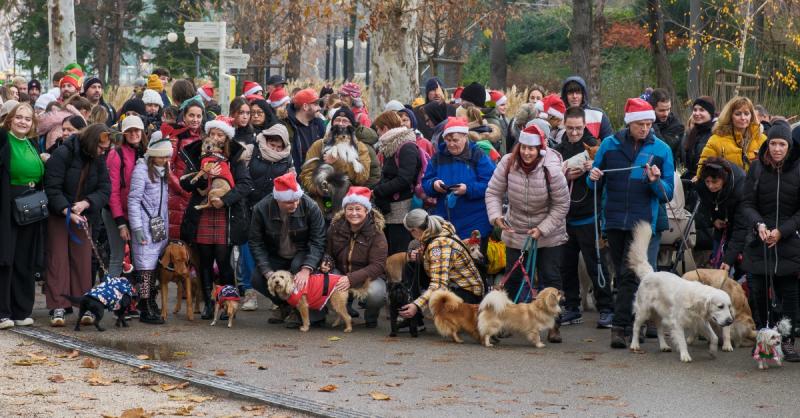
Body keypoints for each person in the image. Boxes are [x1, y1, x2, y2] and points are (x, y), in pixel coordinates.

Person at [588, 98, 674, 349]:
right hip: (614, 220)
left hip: (643, 224)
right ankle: (639, 320)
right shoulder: (609, 145)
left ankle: (620, 326)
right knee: (623, 274)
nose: (645, 128)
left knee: (629, 275)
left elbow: (666, 193)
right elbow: (593, 184)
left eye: (649, 124)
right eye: (640, 124)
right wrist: (592, 177)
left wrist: (654, 181)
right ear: (629, 124)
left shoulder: (662, 150)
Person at [486, 124, 570, 342]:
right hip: (516, 230)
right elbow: (493, 192)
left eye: (532, 148)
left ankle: (553, 325)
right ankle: (506, 323)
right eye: (523, 147)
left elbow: (562, 205)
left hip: (549, 232)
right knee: (512, 279)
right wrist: (496, 217)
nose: (526, 152)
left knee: (550, 279)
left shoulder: (551, 169)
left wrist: (542, 229)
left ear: (540, 148)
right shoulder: (507, 163)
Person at [180, 116, 253, 320]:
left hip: (225, 213)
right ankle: (209, 304)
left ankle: (227, 301)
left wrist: (226, 200)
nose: (215, 137)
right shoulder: (197, 154)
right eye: (212, 133)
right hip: (202, 212)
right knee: (204, 260)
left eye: (220, 134)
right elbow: (185, 184)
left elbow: (245, 185)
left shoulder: (235, 156)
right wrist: (202, 176)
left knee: (223, 260)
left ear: (226, 138)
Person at [739, 120, 800, 362]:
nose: (777, 149)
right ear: (767, 145)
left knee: (790, 296)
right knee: (759, 293)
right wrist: (759, 225)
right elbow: (746, 204)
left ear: (789, 146)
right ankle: (765, 341)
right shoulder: (756, 169)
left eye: (782, 144)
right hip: (759, 241)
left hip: (788, 240)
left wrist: (782, 231)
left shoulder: (798, 168)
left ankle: (787, 340)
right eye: (773, 143)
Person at [44, 124, 111, 327]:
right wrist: (67, 211)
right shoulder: (62, 154)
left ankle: (86, 305)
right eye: (101, 148)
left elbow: (104, 188)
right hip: (59, 214)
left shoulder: (98, 159)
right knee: (58, 259)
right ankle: (58, 306)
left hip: (83, 214)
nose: (103, 152)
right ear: (92, 143)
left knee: (82, 260)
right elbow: (51, 188)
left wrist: (86, 202)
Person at [554, 107, 614, 328]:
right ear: (564, 125)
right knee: (566, 265)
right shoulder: (558, 149)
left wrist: (595, 169)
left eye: (578, 128)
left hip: (590, 215)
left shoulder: (597, 147)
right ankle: (572, 306)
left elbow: (608, 177)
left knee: (596, 264)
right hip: (565, 216)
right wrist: (563, 175)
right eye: (570, 128)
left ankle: (606, 307)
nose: (574, 132)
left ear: (585, 125)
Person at [249, 172, 327, 325]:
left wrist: (307, 268)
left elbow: (318, 240)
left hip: (302, 252)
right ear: (278, 199)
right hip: (276, 254)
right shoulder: (261, 208)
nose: (295, 204)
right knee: (257, 279)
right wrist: (267, 271)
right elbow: (255, 242)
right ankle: (285, 306)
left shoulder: (310, 206)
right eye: (290, 202)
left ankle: (302, 311)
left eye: (297, 200)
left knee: (298, 269)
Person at [239, 123, 294, 311]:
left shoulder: (288, 161)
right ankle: (249, 292)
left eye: (279, 146)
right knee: (247, 251)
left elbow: (291, 185)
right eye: (273, 144)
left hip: (273, 212)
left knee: (271, 251)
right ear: (267, 139)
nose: (275, 149)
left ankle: (274, 294)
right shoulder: (251, 150)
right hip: (248, 207)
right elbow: (238, 171)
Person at [0, 103, 45, 329]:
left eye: (28, 119)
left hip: (30, 205)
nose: (23, 122)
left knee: (24, 259)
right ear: (9, 119)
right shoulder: (3, 140)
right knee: (5, 258)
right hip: (7, 204)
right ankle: (2, 312)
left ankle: (20, 310)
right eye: (19, 117)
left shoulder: (32, 143)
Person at [398, 210, 484, 321]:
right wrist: (421, 257)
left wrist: (417, 305)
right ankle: (414, 319)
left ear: (414, 230)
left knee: (419, 278)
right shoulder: (440, 231)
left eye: (410, 232)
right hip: (457, 285)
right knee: (411, 266)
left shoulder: (439, 245)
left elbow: (439, 284)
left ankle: (414, 313)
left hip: (467, 295)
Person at [421, 117, 495, 243]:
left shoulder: (478, 155)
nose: (451, 144)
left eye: (455, 140)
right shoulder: (438, 157)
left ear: (465, 137)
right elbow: (426, 181)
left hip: (475, 221)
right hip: (446, 221)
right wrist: (434, 185)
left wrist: (468, 189)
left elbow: (491, 184)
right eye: (448, 140)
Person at [324, 187, 388, 327]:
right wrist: (326, 261)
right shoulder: (335, 227)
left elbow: (378, 266)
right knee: (324, 281)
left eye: (358, 209)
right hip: (340, 273)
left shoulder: (377, 233)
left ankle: (371, 317)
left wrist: (351, 278)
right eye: (350, 209)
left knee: (376, 293)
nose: (354, 213)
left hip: (367, 277)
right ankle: (342, 313)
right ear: (344, 210)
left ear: (366, 210)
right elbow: (327, 252)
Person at [127, 135, 172, 324]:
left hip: (159, 227)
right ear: (153, 156)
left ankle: (150, 300)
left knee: (153, 267)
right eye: (162, 156)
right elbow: (134, 200)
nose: (165, 160)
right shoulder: (141, 170)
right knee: (144, 266)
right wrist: (136, 227)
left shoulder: (163, 170)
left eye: (167, 156)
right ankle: (144, 306)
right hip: (145, 226)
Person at [299, 107, 372, 218]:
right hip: (320, 208)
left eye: (345, 121)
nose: (341, 123)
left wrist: (338, 162)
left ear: (351, 126)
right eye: (337, 120)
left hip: (349, 210)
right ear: (332, 123)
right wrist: (320, 190)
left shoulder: (360, 148)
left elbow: (362, 177)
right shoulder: (319, 145)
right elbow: (306, 174)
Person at [103, 116, 146, 280]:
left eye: (137, 130)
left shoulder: (146, 152)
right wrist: (121, 223)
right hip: (115, 212)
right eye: (130, 131)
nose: (134, 133)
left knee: (140, 257)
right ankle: (111, 297)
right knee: (118, 255)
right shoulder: (116, 154)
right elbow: (112, 192)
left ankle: (137, 297)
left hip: (136, 213)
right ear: (124, 133)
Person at [372, 111, 421, 254]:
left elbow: (404, 179)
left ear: (385, 128)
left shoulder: (406, 147)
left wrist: (378, 191)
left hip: (402, 209)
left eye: (378, 130)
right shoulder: (392, 146)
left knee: (400, 253)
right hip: (391, 208)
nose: (378, 134)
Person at [695, 157, 746, 271]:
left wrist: (728, 260)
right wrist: (712, 219)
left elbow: (741, 228)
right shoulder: (702, 185)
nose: (711, 186)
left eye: (715, 182)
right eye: (707, 181)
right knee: (717, 266)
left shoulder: (741, 186)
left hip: (740, 229)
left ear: (724, 178)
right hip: (720, 227)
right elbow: (704, 207)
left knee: (734, 268)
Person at [696, 96, 766, 178]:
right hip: (728, 189)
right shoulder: (716, 140)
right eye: (738, 114)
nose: (743, 118)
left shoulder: (762, 139)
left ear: (751, 116)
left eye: (746, 114)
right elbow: (702, 172)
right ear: (730, 116)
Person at [166, 100, 204, 239]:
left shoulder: (204, 136)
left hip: (198, 195)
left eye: (198, 116)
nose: (195, 119)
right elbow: (167, 167)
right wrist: (183, 189)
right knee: (178, 242)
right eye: (191, 115)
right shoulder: (176, 136)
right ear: (184, 116)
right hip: (179, 196)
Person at [282, 88, 326, 172]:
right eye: (316, 104)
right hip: (295, 179)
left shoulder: (319, 125)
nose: (319, 108)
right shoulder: (287, 126)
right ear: (305, 106)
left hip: (315, 178)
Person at [681, 96, 716, 179]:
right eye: (695, 110)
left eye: (701, 110)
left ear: (710, 113)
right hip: (690, 179)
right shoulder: (692, 132)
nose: (696, 113)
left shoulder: (715, 133)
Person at [647, 88, 684, 159]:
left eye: (668, 109)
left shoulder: (677, 126)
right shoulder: (644, 123)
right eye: (661, 110)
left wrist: (652, 126)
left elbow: (664, 150)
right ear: (652, 109)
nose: (666, 114)